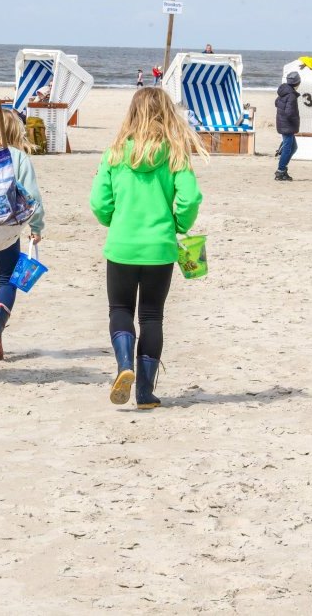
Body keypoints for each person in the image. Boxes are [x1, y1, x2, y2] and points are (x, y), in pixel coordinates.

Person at [89, 87, 204, 409]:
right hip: (160, 247)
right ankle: (144, 393)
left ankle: (124, 365)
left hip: (122, 244)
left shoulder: (114, 153)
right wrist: (179, 224)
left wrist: (114, 219)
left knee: (120, 310)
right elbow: (190, 198)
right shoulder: (176, 153)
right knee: (152, 316)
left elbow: (99, 202)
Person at [0, 108, 45, 362]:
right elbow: (32, 196)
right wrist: (36, 227)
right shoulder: (18, 157)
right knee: (8, 280)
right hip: (8, 230)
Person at [275, 71, 301, 182]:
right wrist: (296, 122)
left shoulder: (283, 92)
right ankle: (280, 171)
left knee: (293, 147)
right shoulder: (291, 95)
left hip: (282, 123)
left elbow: (277, 103)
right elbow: (290, 112)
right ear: (297, 83)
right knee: (288, 148)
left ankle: (282, 168)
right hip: (287, 125)